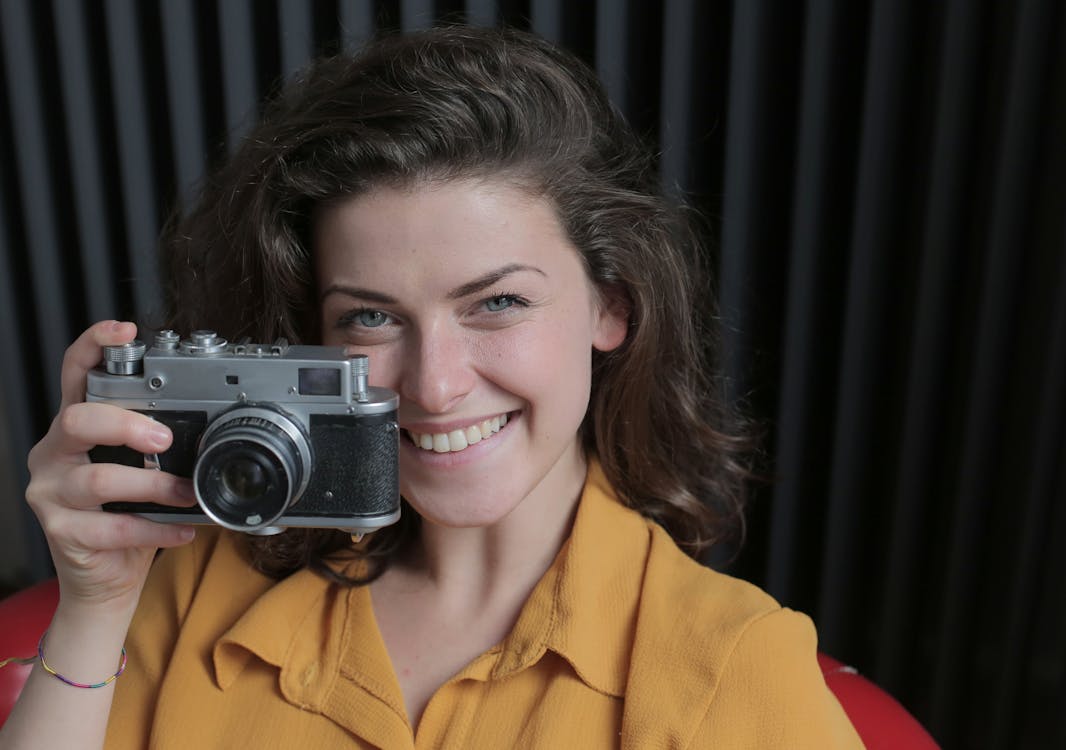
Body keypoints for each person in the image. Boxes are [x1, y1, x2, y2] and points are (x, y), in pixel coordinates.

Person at [1, 25, 863, 749]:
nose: (436, 387)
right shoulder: (191, 579)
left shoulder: (737, 668)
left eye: (496, 302)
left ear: (612, 305)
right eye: (370, 318)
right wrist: (94, 605)